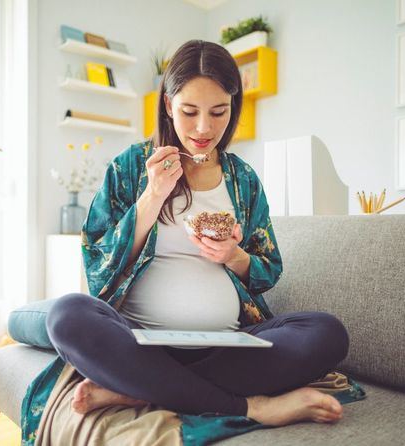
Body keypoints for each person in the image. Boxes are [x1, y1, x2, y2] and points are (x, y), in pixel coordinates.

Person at [46, 39, 349, 426]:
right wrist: (152, 197)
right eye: (189, 111)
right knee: (67, 316)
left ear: (233, 108)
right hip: (139, 343)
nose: (204, 128)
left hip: (228, 346)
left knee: (326, 332)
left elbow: (269, 269)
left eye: (219, 112)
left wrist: (234, 256)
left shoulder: (243, 180)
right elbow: (97, 271)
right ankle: (250, 407)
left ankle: (138, 389)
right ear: (169, 106)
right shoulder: (129, 168)